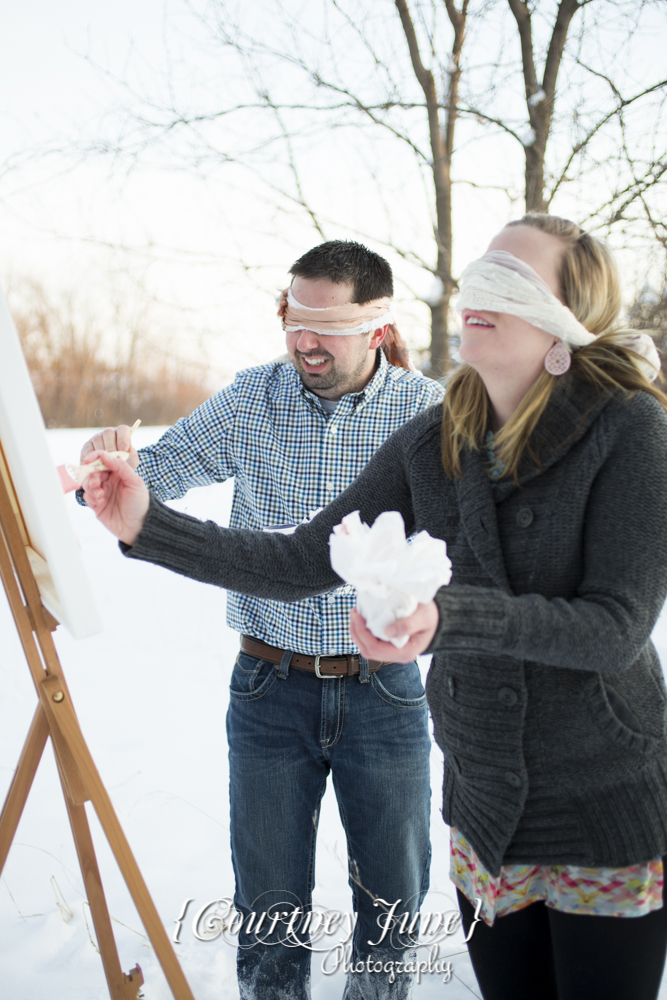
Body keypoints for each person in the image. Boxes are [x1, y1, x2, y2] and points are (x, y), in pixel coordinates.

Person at [83, 214, 667, 1000]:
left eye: (511, 280)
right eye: (477, 276)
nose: (477, 293)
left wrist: (444, 618)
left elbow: (616, 629)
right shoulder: (436, 439)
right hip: (487, 808)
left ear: (568, 318)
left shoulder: (628, 428)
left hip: (598, 803)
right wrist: (147, 524)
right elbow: (299, 560)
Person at [79, 240, 444, 1000]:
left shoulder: (428, 412)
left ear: (376, 328)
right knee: (268, 910)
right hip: (268, 689)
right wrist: (102, 468)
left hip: (387, 693)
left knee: (393, 909)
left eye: (324, 326)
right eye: (291, 320)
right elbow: (156, 474)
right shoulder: (253, 398)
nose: (302, 341)